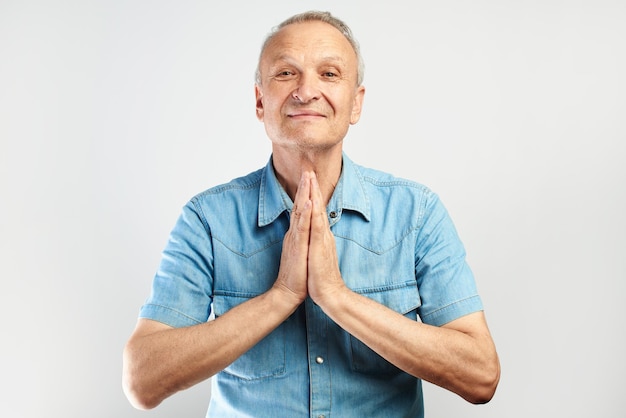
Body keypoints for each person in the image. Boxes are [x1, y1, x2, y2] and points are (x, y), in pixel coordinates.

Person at [123, 10, 500, 417]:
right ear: (259, 101)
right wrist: (280, 296)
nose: (306, 91)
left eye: (330, 74)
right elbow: (143, 382)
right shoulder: (206, 220)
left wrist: (337, 298)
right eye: (286, 73)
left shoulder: (417, 213)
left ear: (355, 103)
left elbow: (480, 376)